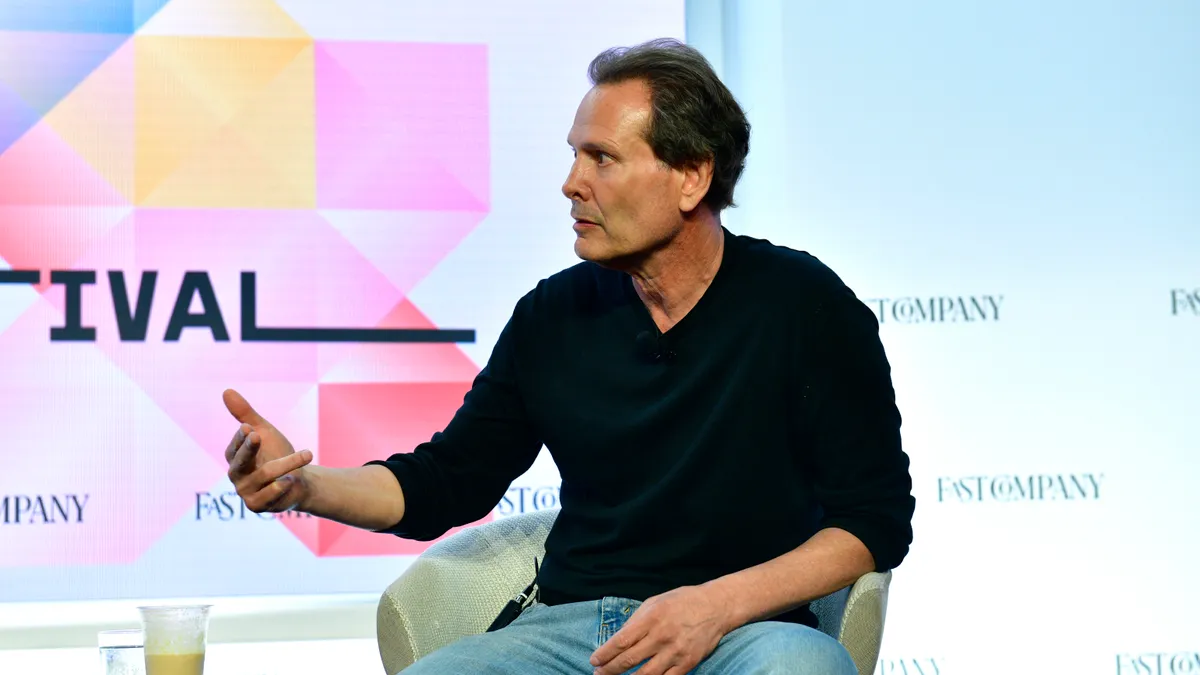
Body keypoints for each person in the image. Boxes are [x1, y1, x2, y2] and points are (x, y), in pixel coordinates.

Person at [221, 38, 914, 675]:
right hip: (573, 631)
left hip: (746, 631)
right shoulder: (552, 316)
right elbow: (446, 481)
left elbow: (873, 522)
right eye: (574, 154)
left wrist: (717, 605)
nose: (571, 182)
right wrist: (302, 487)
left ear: (691, 177)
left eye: (601, 158)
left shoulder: (805, 307)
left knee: (799, 667)